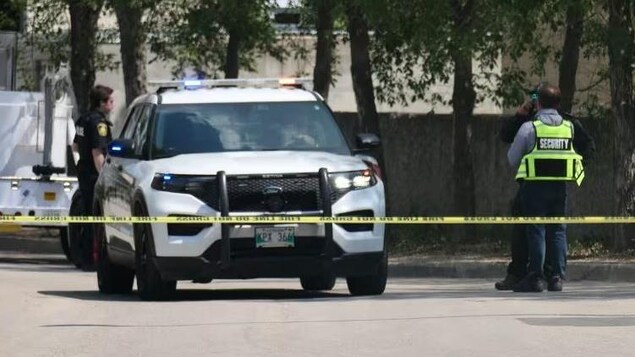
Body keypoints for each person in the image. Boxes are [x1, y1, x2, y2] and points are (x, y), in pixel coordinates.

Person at [494, 84, 595, 291]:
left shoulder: (530, 126)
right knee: (557, 230)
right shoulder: (569, 125)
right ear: (558, 103)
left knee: (536, 229)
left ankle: (536, 277)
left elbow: (512, 158)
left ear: (537, 102)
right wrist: (577, 165)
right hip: (559, 186)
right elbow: (588, 148)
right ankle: (556, 277)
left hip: (533, 187)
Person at [71, 85, 114, 270]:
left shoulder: (83, 119)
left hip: (84, 172)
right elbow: (98, 153)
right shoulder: (98, 123)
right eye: (111, 101)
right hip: (94, 175)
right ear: (102, 103)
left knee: (87, 216)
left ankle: (83, 257)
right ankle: (90, 259)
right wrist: (105, 177)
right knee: (94, 217)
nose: (112, 105)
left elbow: (74, 146)